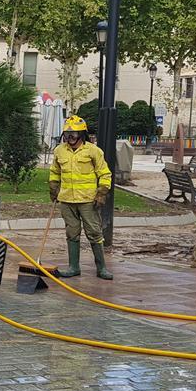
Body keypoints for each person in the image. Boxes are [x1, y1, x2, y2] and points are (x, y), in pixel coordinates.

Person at [49, 115, 113, 280]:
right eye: (67, 135)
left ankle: (101, 268)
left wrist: (102, 192)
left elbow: (105, 173)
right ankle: (73, 267)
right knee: (72, 233)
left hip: (88, 200)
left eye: (74, 135)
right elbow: (55, 171)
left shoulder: (93, 151)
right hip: (66, 200)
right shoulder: (59, 150)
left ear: (82, 135)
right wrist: (53, 187)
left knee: (94, 232)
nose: (70, 138)